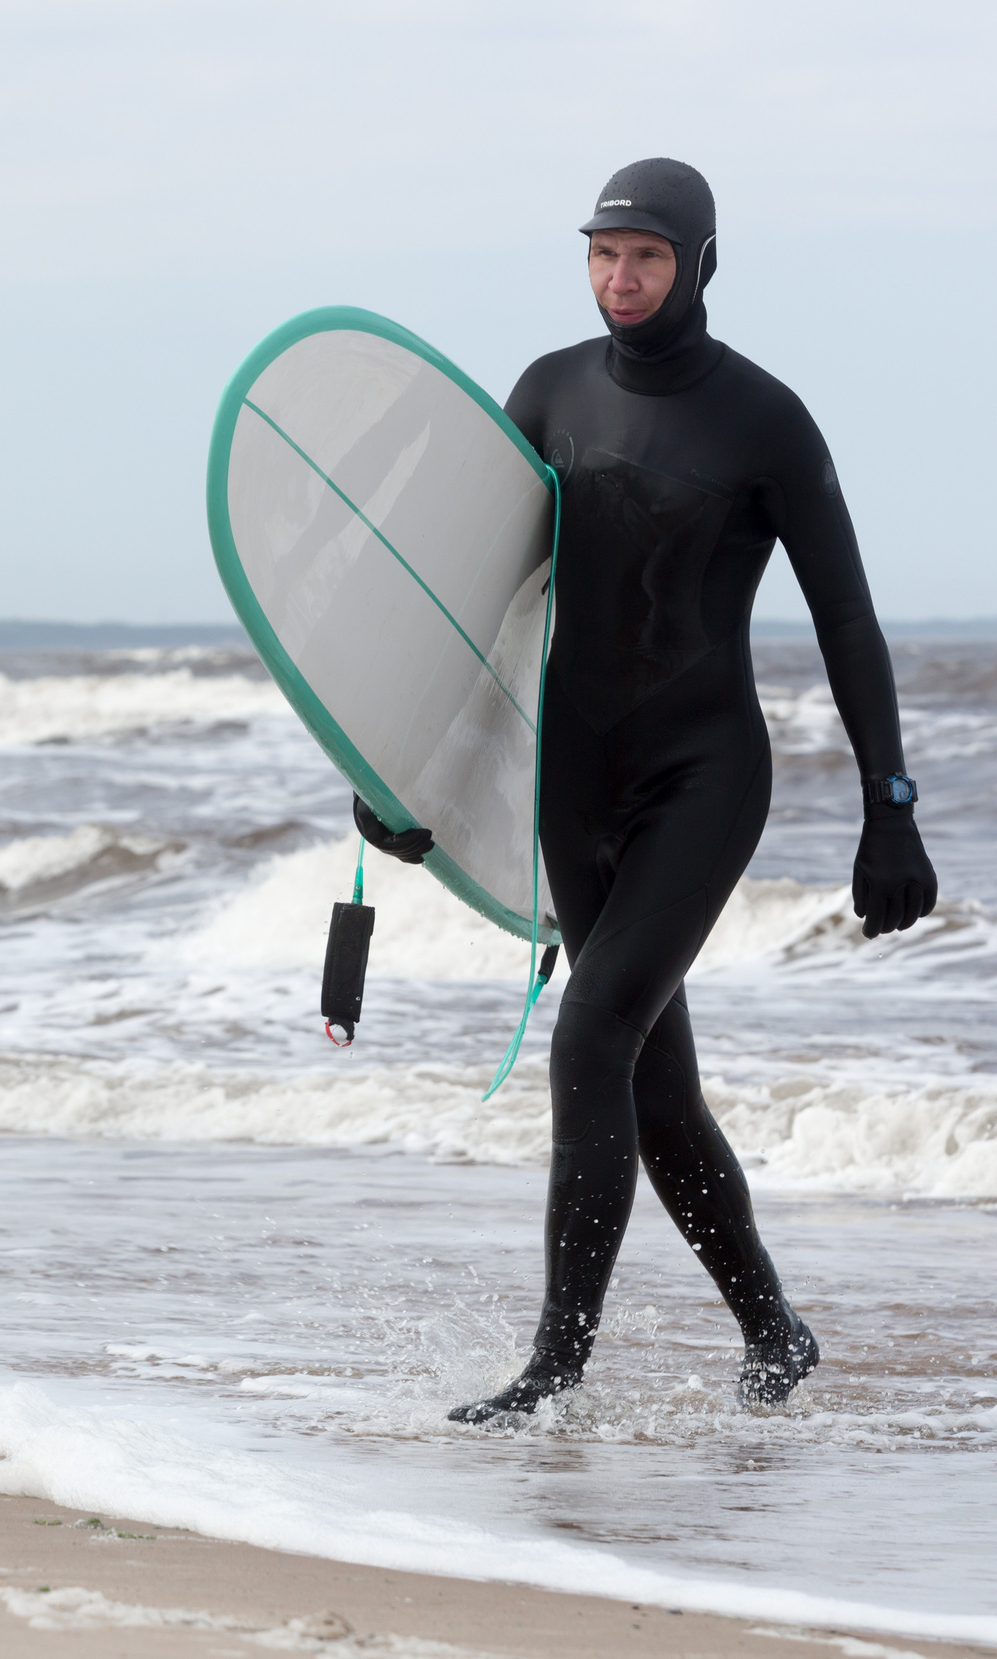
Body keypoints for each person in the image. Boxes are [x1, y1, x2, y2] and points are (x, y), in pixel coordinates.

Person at [356, 157, 938, 1423]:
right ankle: (773, 1332)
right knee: (653, 1089)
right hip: (576, 772)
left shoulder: (765, 422)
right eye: (602, 255)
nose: (621, 279)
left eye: (648, 256)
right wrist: (404, 766)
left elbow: (845, 616)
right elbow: (476, 599)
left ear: (700, 262)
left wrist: (888, 804)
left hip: (701, 773)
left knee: (592, 1036)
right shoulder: (548, 391)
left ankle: (554, 1369)